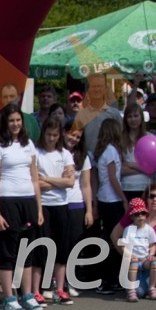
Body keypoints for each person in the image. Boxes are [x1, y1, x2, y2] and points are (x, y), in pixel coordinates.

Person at [0, 102, 43, 310]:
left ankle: (27, 294)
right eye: (11, 120)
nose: (15, 124)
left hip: (28, 201)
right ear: (5, 122)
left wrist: (38, 208)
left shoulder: (28, 144)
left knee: (26, 252)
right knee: (7, 253)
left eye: (18, 120)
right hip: (7, 202)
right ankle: (9, 297)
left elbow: (35, 178)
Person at [34, 117, 75, 304]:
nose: (52, 138)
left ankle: (60, 289)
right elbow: (35, 182)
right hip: (43, 205)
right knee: (42, 247)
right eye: (49, 134)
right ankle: (39, 289)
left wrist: (48, 179)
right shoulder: (36, 153)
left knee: (62, 248)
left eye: (55, 135)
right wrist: (57, 182)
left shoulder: (65, 154)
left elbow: (70, 182)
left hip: (61, 205)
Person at [92, 117, 128, 295]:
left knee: (109, 238)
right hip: (112, 199)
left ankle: (109, 278)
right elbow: (114, 178)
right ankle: (108, 279)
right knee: (114, 239)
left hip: (104, 198)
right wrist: (123, 198)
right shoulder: (112, 151)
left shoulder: (103, 151)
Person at [62, 121, 93, 298]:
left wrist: (89, 210)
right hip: (57, 203)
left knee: (73, 246)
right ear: (64, 132)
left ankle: (70, 280)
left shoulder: (83, 156)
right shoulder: (55, 152)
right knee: (57, 244)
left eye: (78, 137)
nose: (74, 139)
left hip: (76, 204)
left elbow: (86, 184)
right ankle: (55, 281)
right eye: (72, 134)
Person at [116, 197, 156, 302]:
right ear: (131, 216)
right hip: (133, 260)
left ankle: (152, 288)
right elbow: (123, 245)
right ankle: (131, 290)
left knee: (155, 262)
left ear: (146, 215)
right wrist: (129, 255)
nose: (140, 216)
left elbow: (153, 245)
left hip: (144, 260)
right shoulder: (128, 229)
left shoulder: (149, 229)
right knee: (134, 264)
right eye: (137, 214)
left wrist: (151, 253)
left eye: (143, 213)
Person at [75, 73, 121, 156]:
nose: (96, 90)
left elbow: (121, 138)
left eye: (99, 86)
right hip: (88, 162)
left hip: (110, 162)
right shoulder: (81, 116)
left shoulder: (114, 114)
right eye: (93, 86)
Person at [120, 103, 150, 201]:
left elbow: (152, 168)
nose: (133, 119)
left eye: (136, 116)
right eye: (129, 116)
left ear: (141, 117)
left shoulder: (150, 138)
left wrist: (128, 164)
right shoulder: (120, 139)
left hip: (145, 187)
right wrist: (143, 168)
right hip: (126, 188)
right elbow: (119, 169)